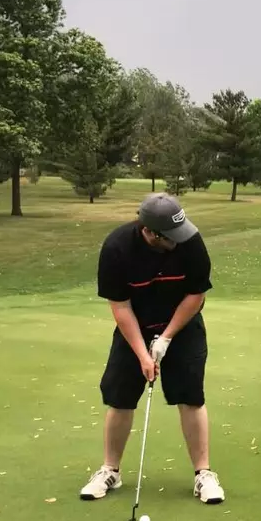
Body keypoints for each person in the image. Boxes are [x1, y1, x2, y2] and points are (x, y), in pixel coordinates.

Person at [79, 192, 224, 505]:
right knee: (119, 396)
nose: (178, 240)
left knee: (191, 395)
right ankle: (110, 470)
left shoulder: (190, 242)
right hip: (135, 326)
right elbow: (120, 306)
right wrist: (144, 354)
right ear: (149, 232)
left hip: (182, 327)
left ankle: (203, 474)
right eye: (170, 236)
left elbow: (195, 295)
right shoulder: (117, 248)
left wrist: (167, 337)